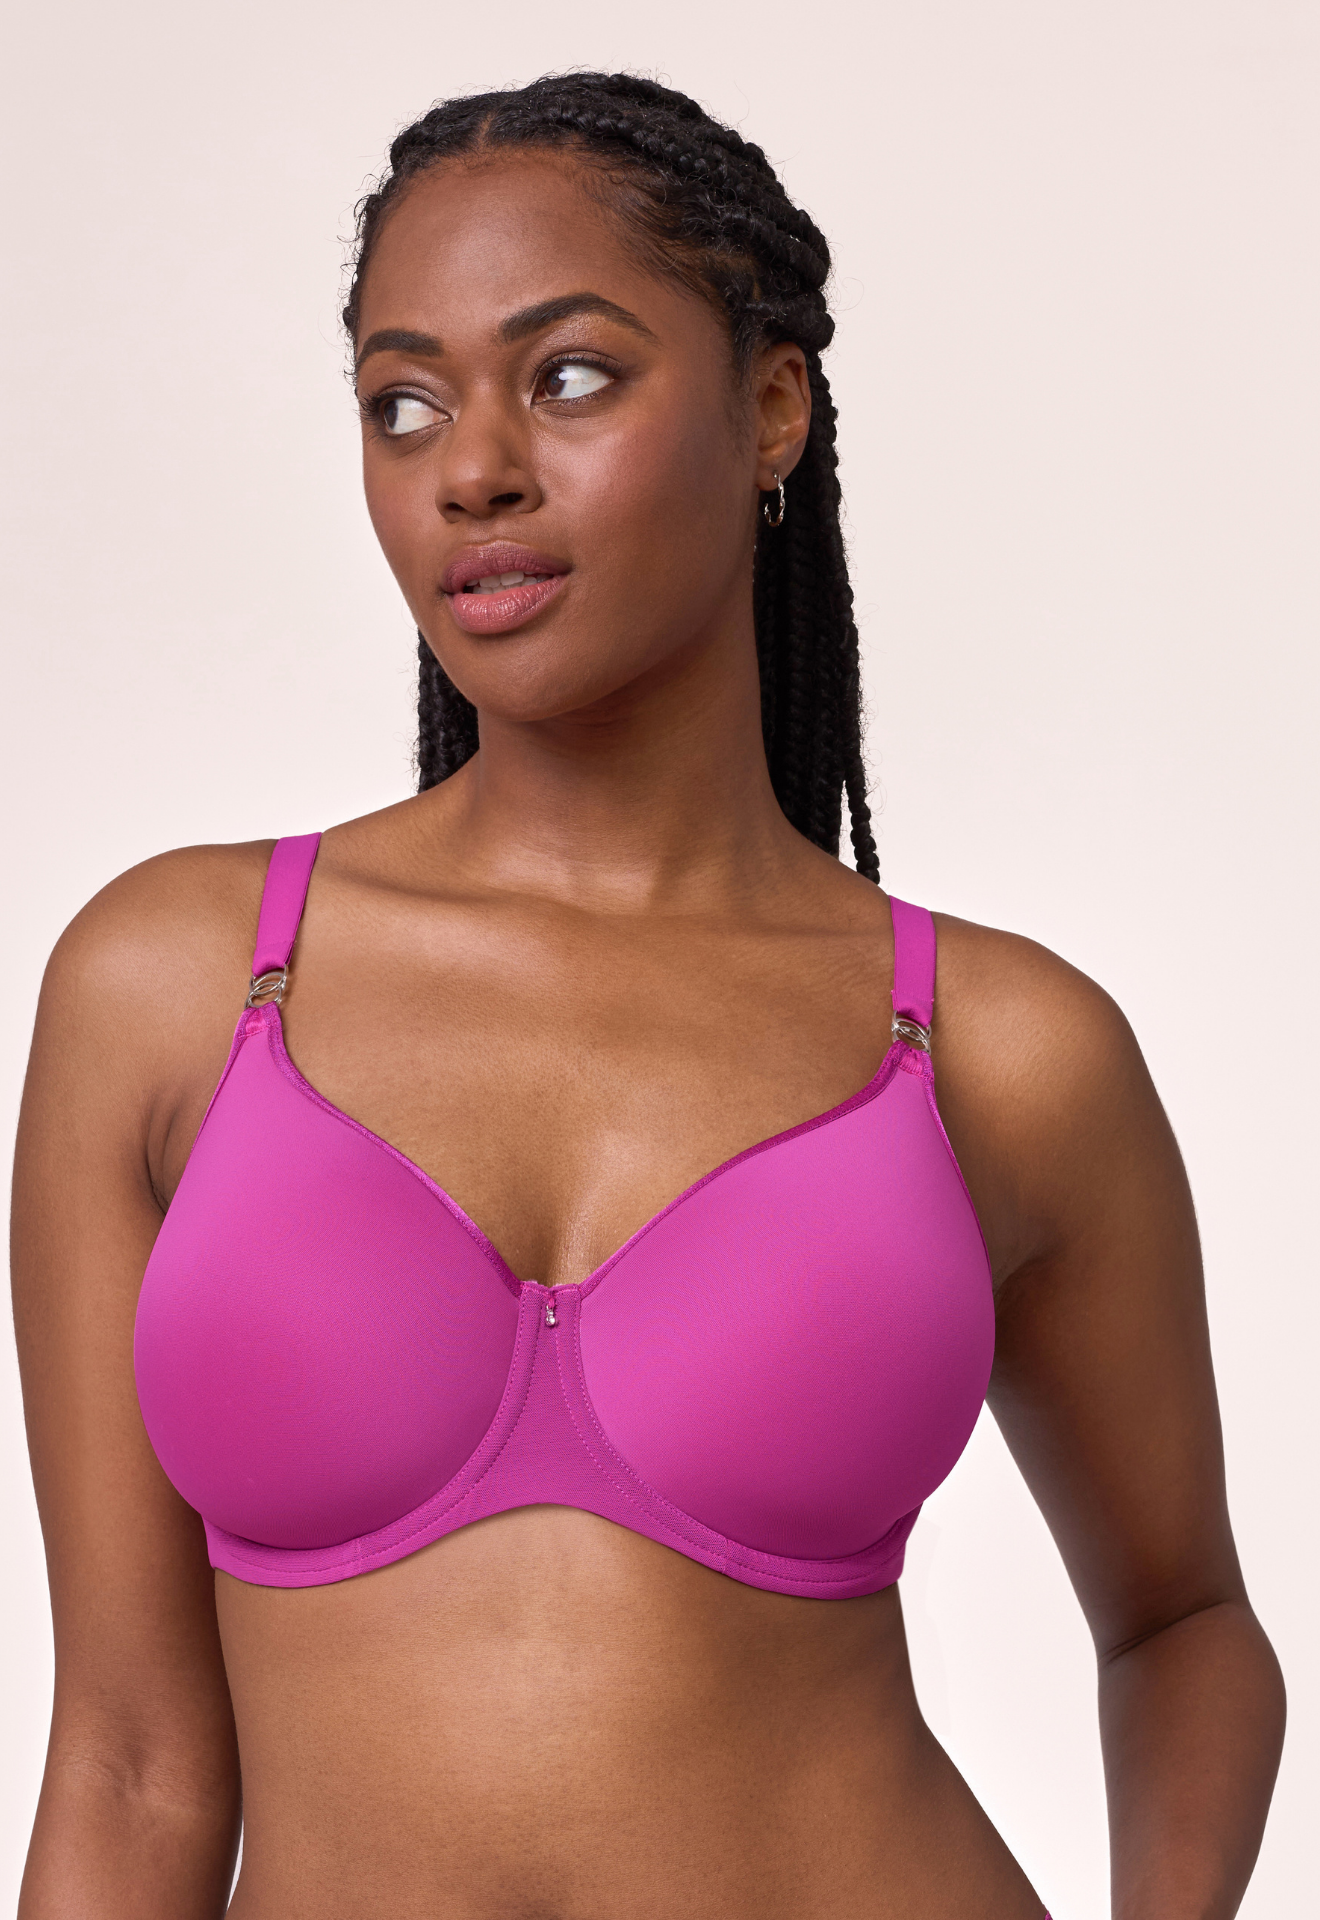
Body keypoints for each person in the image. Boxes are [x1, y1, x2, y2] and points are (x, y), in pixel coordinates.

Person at [11, 71, 1283, 1920]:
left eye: (571, 376)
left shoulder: (1000, 1049)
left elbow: (1182, 1623)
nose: (473, 469)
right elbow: (130, 1762)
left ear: (774, 407)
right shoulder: (176, 987)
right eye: (404, 402)